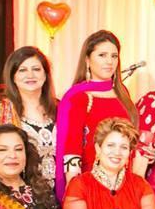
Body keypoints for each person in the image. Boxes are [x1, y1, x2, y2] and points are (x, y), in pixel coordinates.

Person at [55, 30, 138, 199]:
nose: (109, 61)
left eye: (114, 56)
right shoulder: (79, 96)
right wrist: (75, 193)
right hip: (91, 185)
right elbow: (71, 149)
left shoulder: (122, 93)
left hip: (124, 181)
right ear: (87, 60)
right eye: (102, 55)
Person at [0, 46, 58, 184]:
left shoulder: (61, 108)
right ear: (13, 76)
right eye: (22, 70)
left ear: (45, 75)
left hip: (64, 191)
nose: (30, 75)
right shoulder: (1, 111)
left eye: (36, 69)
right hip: (17, 190)